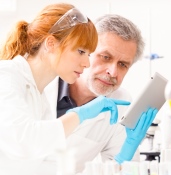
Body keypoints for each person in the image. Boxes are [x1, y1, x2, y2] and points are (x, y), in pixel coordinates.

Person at [0, 3, 130, 175]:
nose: (87, 63)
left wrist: (123, 157)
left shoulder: (41, 99)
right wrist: (79, 115)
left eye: (89, 54)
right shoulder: (6, 76)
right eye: (81, 51)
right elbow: (23, 141)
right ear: (51, 44)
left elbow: (47, 166)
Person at [43, 14, 158, 173]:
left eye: (123, 64)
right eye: (105, 57)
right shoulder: (42, 85)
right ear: (85, 50)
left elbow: (119, 169)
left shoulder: (121, 103)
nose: (113, 72)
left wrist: (127, 153)